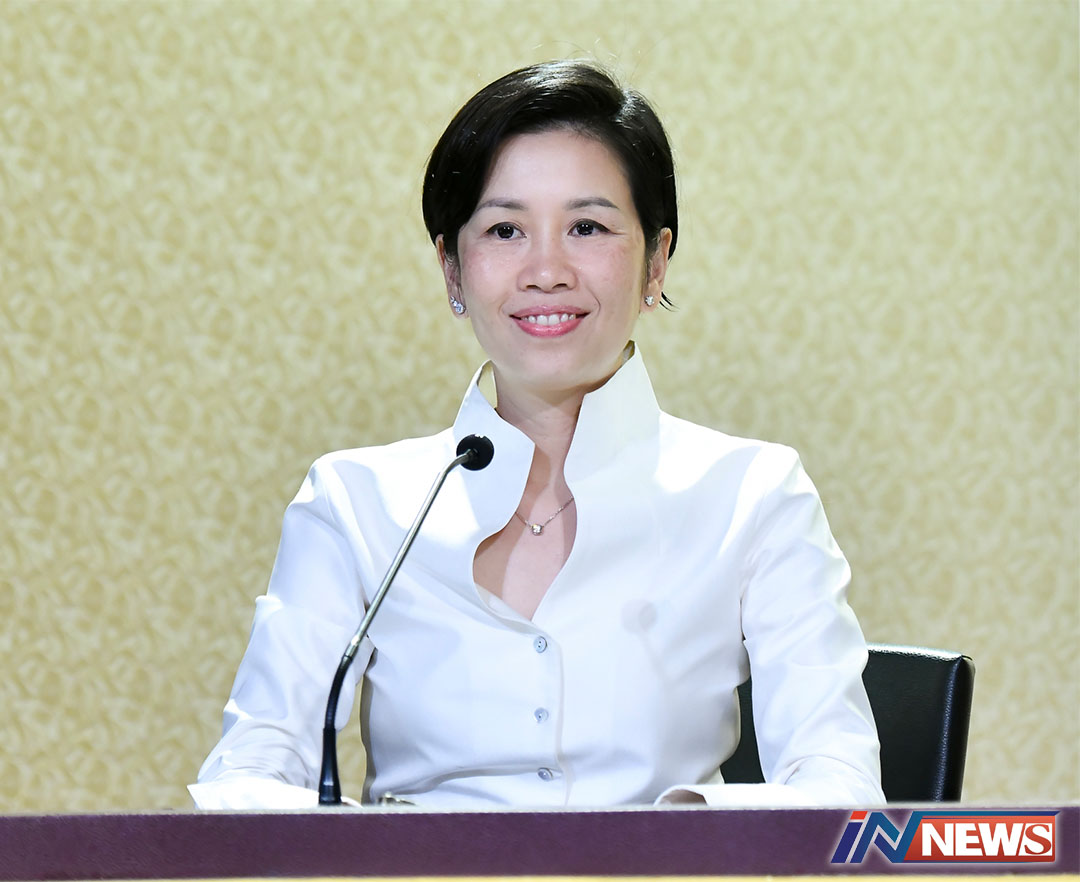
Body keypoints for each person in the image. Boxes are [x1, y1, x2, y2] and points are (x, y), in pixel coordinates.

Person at [190, 60, 884, 810]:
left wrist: (675, 834)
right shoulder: (356, 501)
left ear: (655, 262)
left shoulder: (753, 494)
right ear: (452, 270)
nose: (546, 270)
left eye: (587, 227)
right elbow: (250, 775)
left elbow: (840, 787)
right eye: (504, 230)